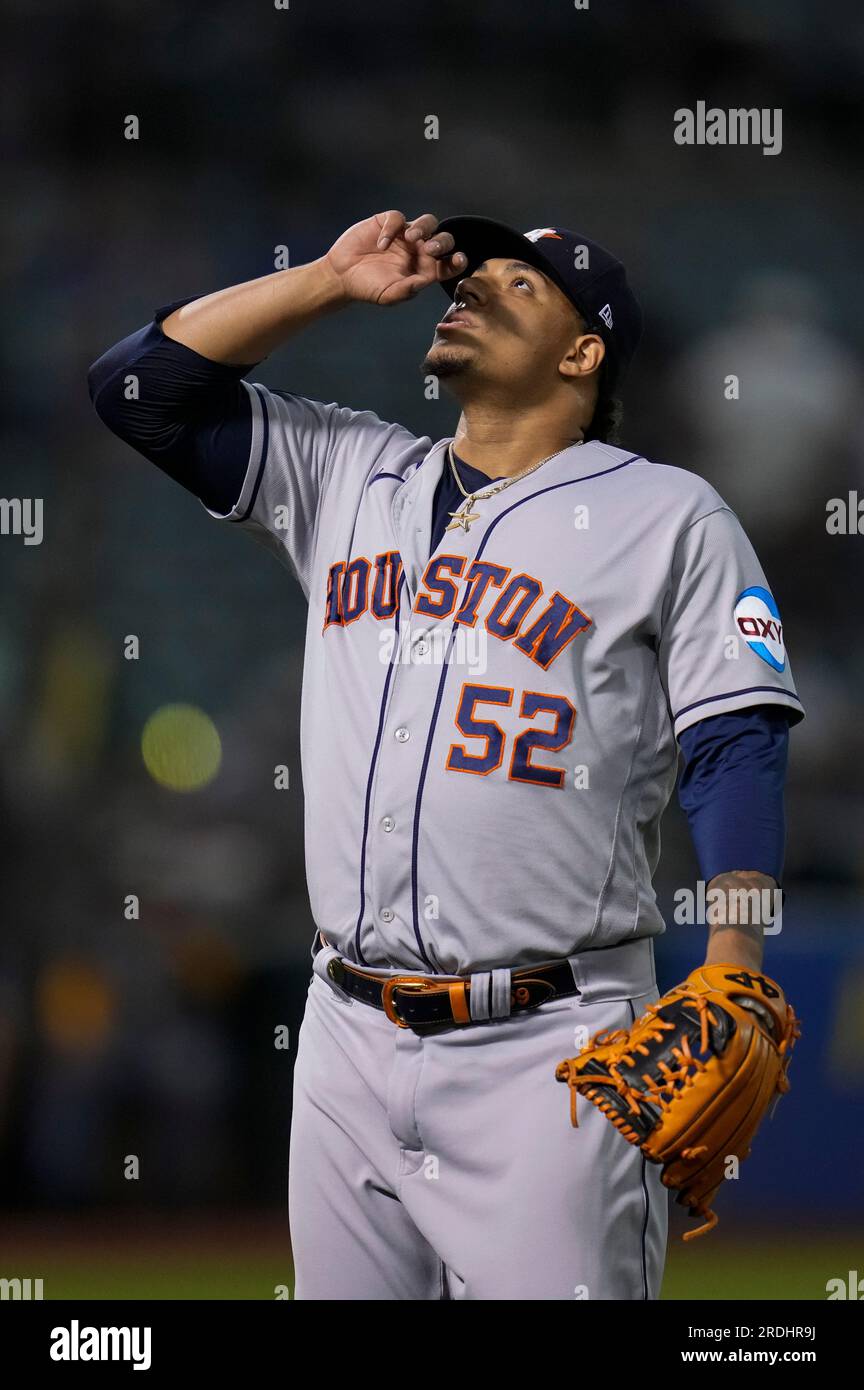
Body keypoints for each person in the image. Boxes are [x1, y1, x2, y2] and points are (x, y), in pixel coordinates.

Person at [88, 210, 803, 1300]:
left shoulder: (666, 515)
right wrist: (326, 279)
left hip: (553, 1046)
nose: (467, 289)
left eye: (516, 285)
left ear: (581, 352)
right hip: (343, 1036)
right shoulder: (350, 471)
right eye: (468, 279)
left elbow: (732, 742)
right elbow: (138, 389)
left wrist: (734, 960)